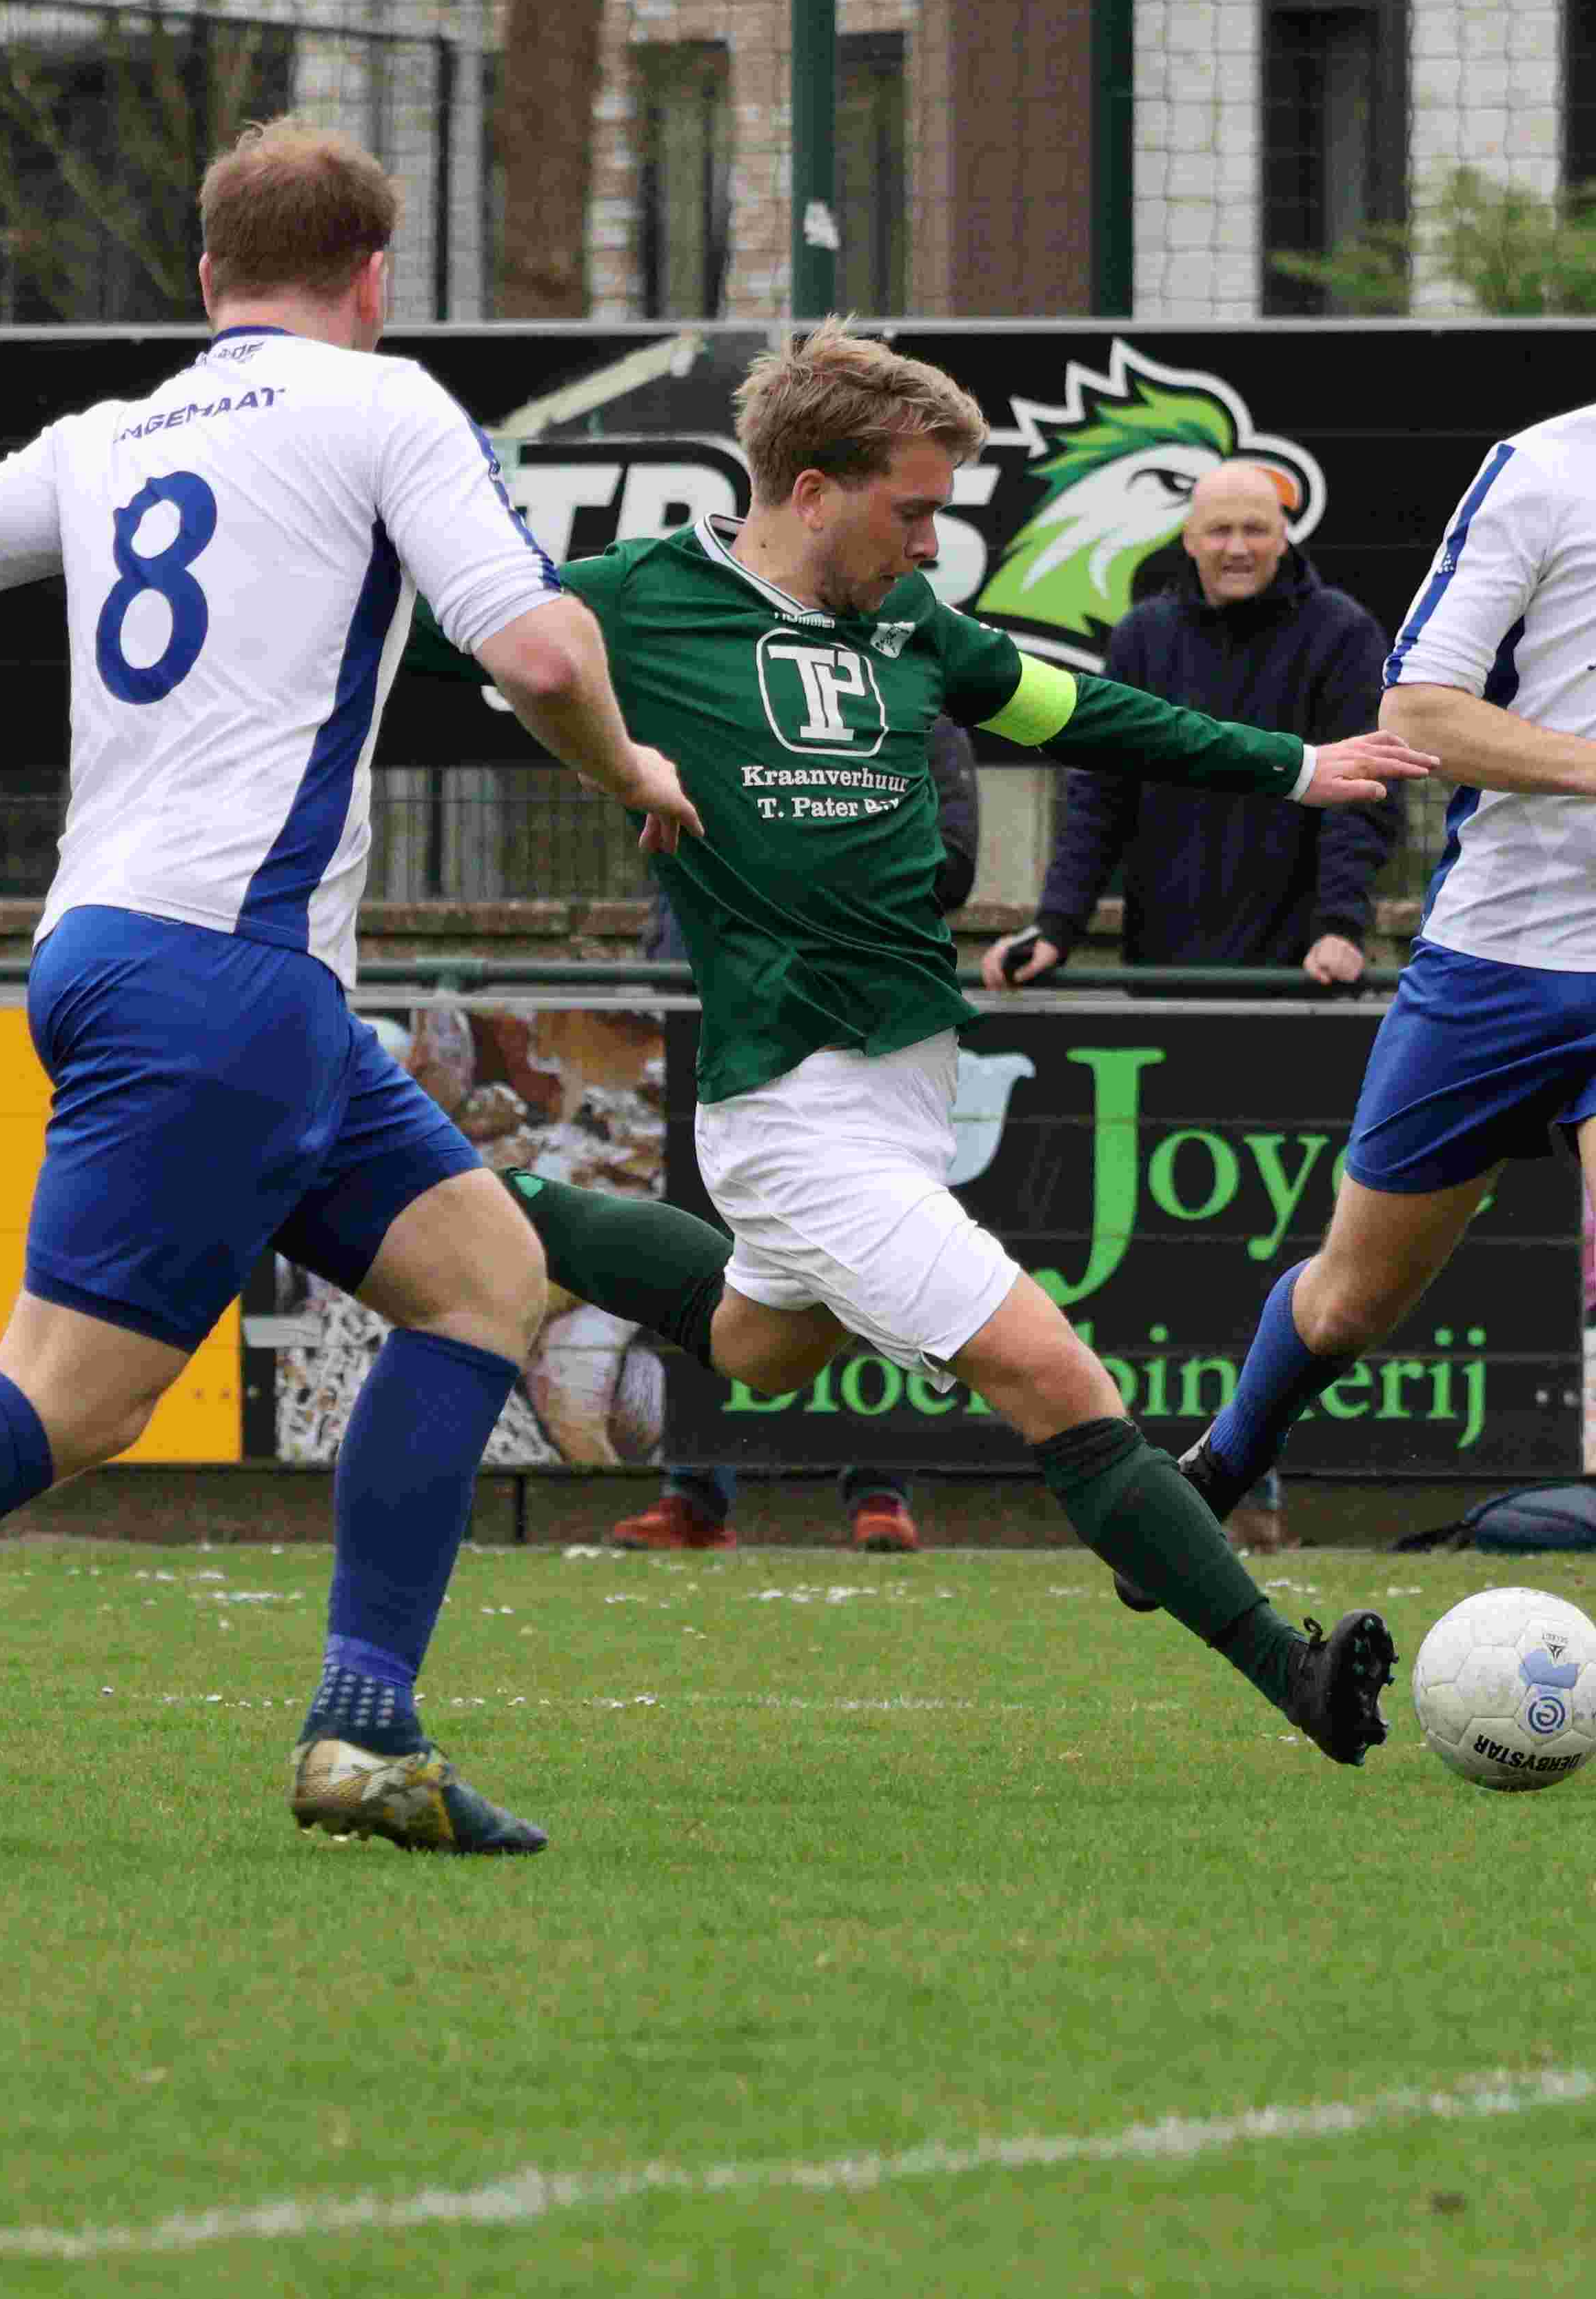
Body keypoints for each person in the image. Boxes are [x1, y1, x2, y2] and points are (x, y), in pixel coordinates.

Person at [0, 119, 693, 1862]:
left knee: (485, 1275)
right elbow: (536, 648)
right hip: (220, 980)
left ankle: (363, 1729)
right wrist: (624, 766)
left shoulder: (111, 437)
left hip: (151, 959)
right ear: (373, 279)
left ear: (204, 279)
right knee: (73, 1397)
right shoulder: (388, 407)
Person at [478, 324, 1435, 1765]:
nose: (934, 543)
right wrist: (616, 758)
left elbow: (1085, 712)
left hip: (904, 1093)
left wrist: (1296, 766)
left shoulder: (916, 631)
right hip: (795, 1107)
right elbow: (480, 633)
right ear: (812, 489)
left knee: (760, 1344)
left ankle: (491, 1202)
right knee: (1054, 1373)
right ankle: (1291, 1669)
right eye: (912, 511)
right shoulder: (639, 601)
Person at [1164, 168, 1596, 1783]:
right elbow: (1416, 711)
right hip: (1497, 958)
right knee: (1350, 1296)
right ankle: (1212, 1472)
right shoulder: (1540, 478)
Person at [985, 458, 1396, 1552]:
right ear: (1188, 538)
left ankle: (1254, 1479)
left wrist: (1340, 928)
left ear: (1284, 530)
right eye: (1215, 530)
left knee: (1283, 1251)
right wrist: (1055, 931)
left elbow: (1360, 796)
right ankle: (1160, 1485)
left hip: (1290, 989)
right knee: (1167, 1254)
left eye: (1253, 529)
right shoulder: (1142, 640)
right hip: (1164, 982)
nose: (1233, 548)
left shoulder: (1344, 634)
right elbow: (1095, 790)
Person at [612, 714, 978, 1554]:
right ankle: (695, 1492)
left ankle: (878, 1491)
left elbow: (952, 867)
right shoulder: (712, 689)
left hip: (854, 1021)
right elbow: (662, 833)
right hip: (710, 1010)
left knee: (876, 1250)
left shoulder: (915, 698)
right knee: (706, 1252)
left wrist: (795, 841)